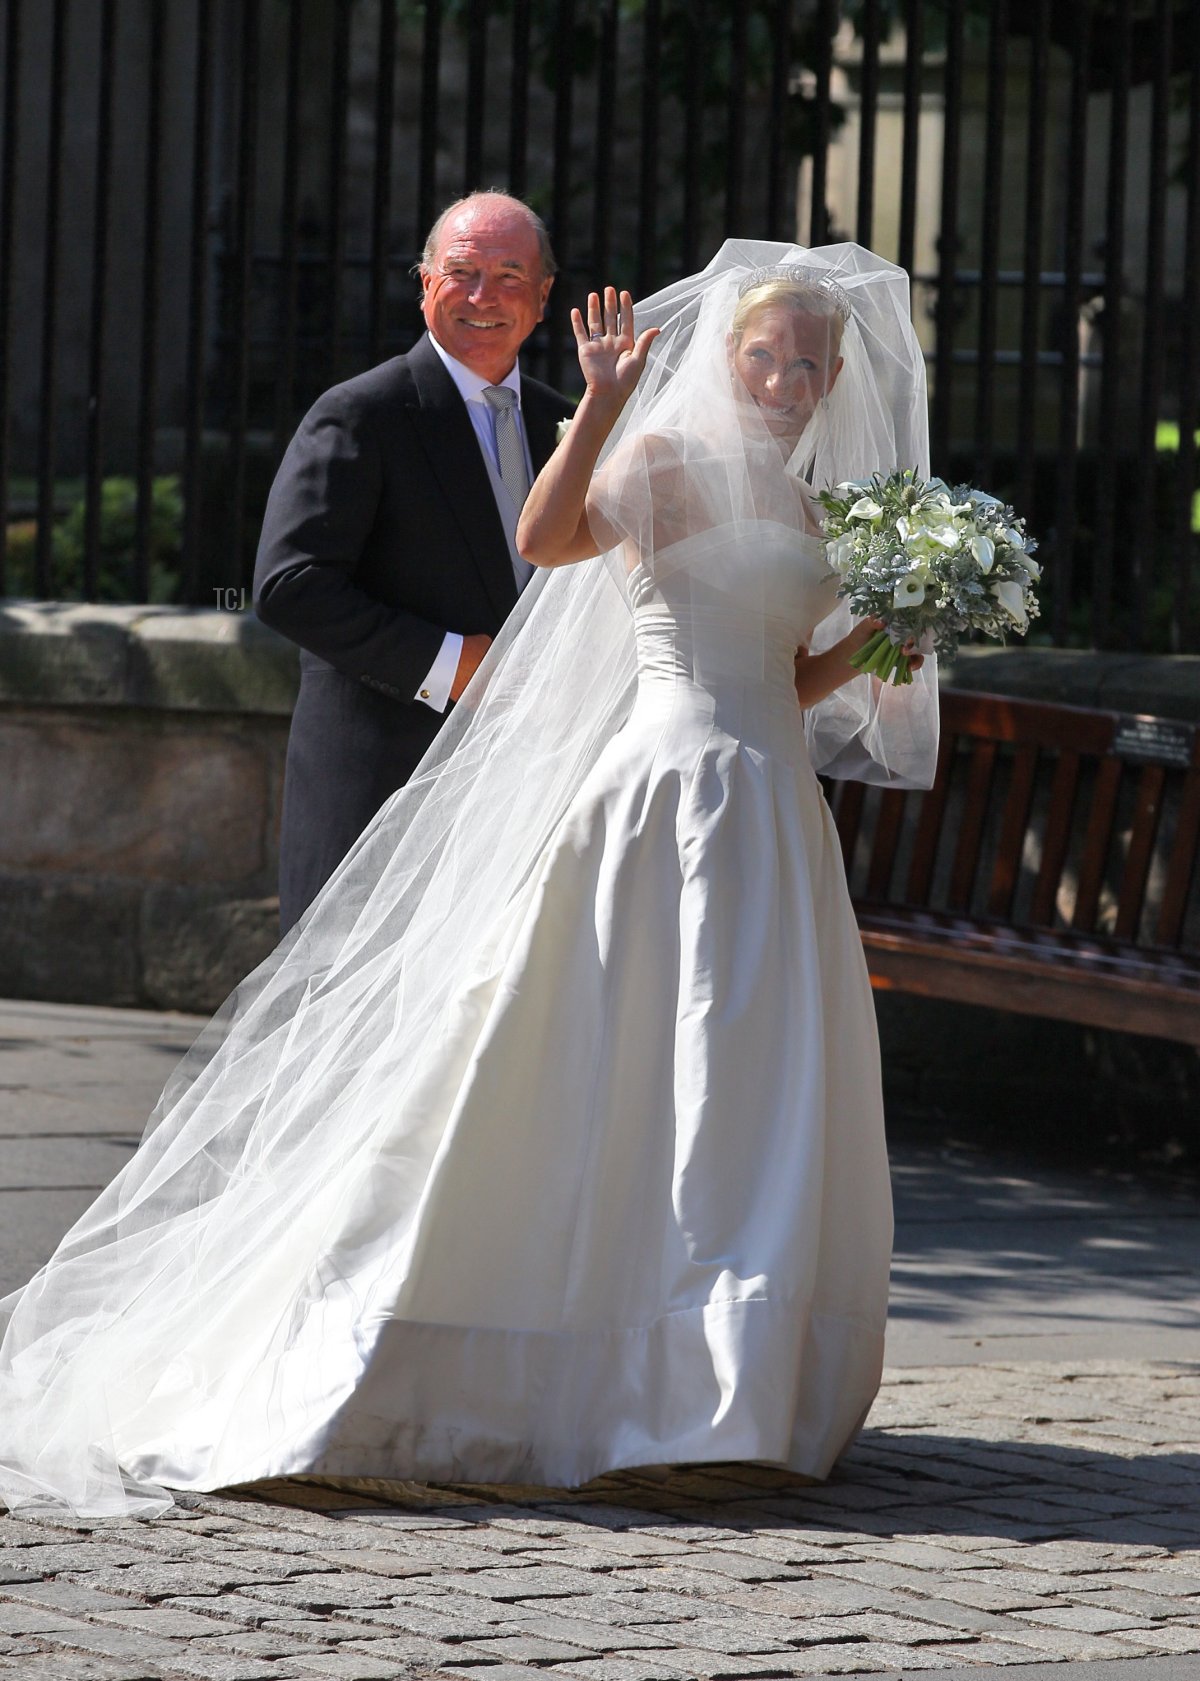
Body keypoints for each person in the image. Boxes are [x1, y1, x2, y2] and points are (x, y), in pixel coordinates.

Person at [0, 240, 938, 1521]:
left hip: (774, 807)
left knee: (747, 1078)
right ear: (730, 359)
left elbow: (788, 680)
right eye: (765, 355)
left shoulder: (824, 518)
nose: (784, 378)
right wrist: (602, 395)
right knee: (605, 1062)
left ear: (832, 384)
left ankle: (734, 1384)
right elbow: (546, 540)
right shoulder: (661, 463)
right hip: (663, 795)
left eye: (807, 365)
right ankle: (541, 1361)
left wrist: (892, 631)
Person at [254, 191, 571, 930]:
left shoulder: (567, 425)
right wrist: (453, 663)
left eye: (509, 276)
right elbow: (287, 585)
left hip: (521, 802)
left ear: (544, 297)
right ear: (426, 282)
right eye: (461, 271)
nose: (483, 296)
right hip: (380, 795)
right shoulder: (363, 412)